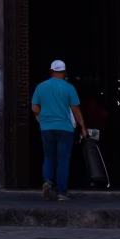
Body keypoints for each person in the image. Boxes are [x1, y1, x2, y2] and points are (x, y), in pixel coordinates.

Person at [31, 60, 88, 201]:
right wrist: (83, 127)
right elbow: (75, 109)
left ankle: (48, 182)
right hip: (65, 128)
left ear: (51, 72)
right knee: (63, 160)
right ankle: (62, 192)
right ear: (64, 72)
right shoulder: (69, 88)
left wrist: (40, 119)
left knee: (49, 156)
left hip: (46, 128)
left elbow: (34, 107)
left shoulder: (40, 87)